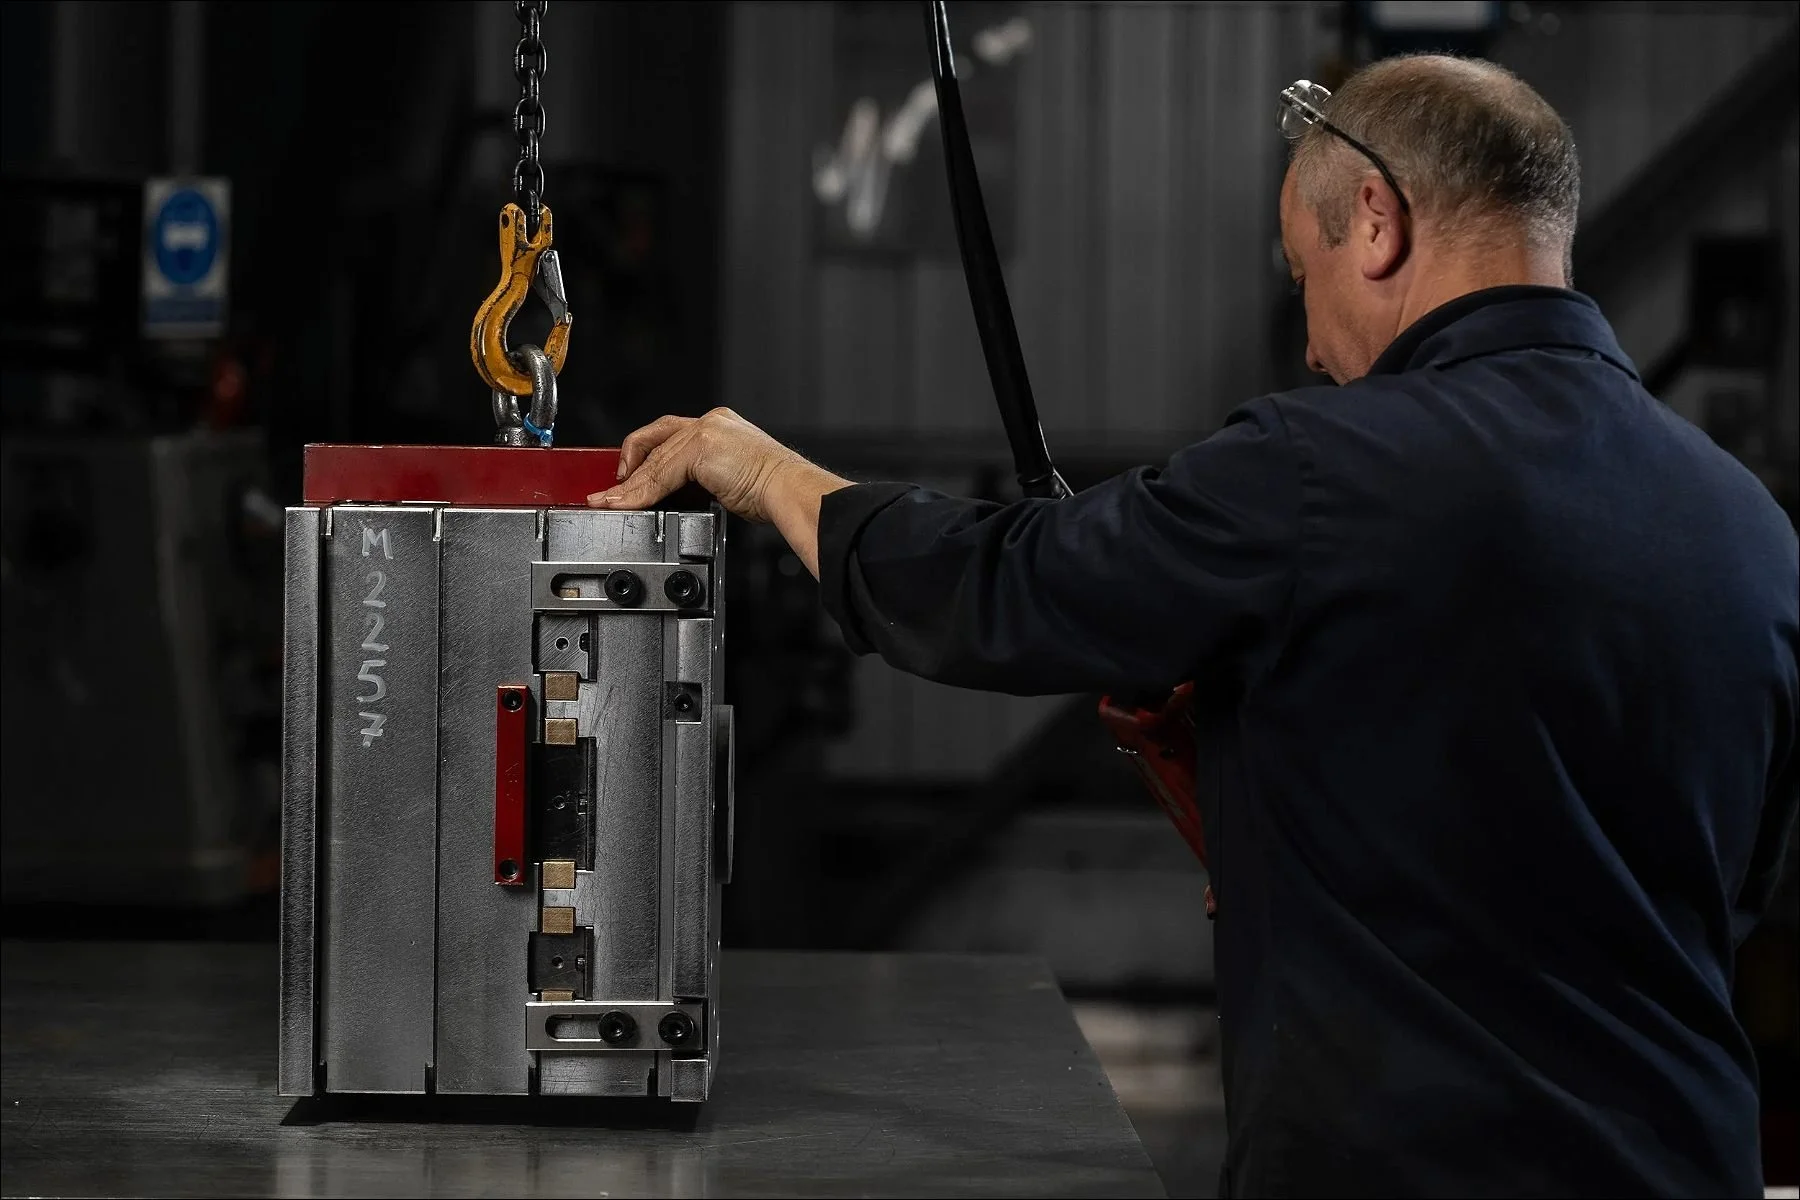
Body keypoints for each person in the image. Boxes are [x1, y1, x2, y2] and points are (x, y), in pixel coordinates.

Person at [588, 54, 1797, 1198]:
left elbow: (1004, 588)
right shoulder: (1752, 529)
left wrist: (769, 477)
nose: (1312, 345)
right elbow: (1720, 885)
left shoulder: (1317, 469)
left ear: (1377, 222)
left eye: (1303, 275)